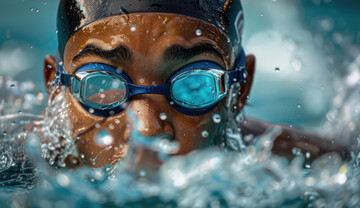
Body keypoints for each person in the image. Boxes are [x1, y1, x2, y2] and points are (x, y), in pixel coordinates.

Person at [43, 0, 347, 171]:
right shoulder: (22, 161)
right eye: (103, 84)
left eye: (193, 83)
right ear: (55, 86)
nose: (147, 129)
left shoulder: (309, 166)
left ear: (239, 90)